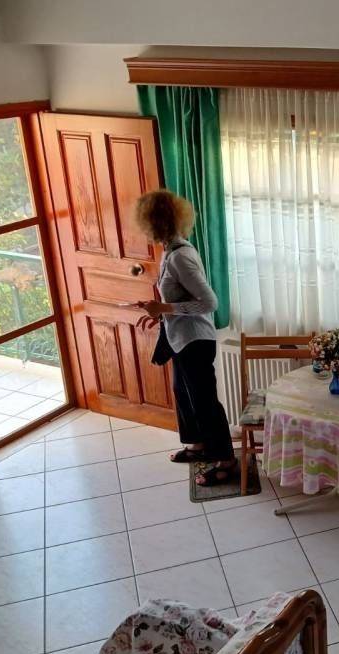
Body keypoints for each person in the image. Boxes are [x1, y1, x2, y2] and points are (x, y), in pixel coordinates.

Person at [133, 189, 237, 486]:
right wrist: (159, 312)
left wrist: (164, 308)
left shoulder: (180, 257)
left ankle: (226, 461)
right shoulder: (170, 251)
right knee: (182, 392)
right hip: (179, 337)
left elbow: (209, 302)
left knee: (205, 402)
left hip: (195, 341)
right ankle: (198, 446)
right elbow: (178, 297)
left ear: (152, 224)